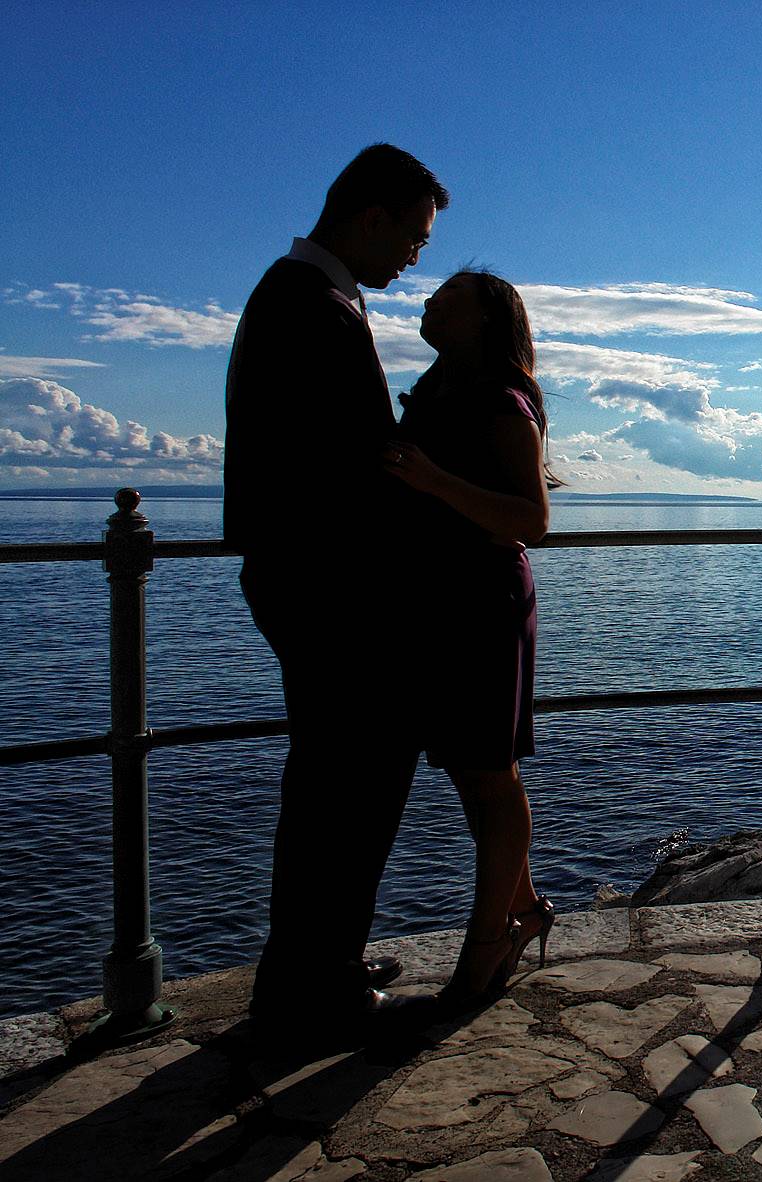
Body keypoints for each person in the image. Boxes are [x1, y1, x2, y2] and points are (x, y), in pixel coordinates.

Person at [224, 144, 447, 1037]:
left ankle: (319, 962)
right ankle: (314, 987)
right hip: (330, 583)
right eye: (413, 238)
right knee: (351, 779)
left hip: (301, 573)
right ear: (370, 218)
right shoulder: (314, 307)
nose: (413, 258)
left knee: (336, 776)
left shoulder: (293, 296)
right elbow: (360, 460)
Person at [384, 270, 555, 1006]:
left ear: (484, 317)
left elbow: (531, 518)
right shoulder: (436, 392)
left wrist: (431, 482)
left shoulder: (501, 399)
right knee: (466, 768)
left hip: (483, 598)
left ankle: (488, 942)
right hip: (438, 599)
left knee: (489, 771)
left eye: (444, 296)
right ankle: (522, 910)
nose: (427, 303)